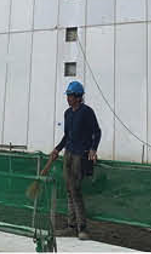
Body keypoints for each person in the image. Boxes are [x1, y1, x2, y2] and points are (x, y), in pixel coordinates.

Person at [46, 80, 101, 239]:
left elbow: (96, 132)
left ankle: (82, 228)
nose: (68, 98)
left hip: (80, 155)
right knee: (69, 191)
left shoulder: (87, 112)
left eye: (70, 95)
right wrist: (58, 148)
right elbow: (67, 135)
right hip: (69, 154)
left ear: (78, 97)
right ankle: (71, 226)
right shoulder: (68, 113)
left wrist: (93, 148)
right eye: (68, 95)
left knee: (75, 190)